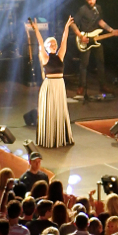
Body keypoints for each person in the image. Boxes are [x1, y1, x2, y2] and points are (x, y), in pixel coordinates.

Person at [27, 16, 74, 149]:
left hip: (59, 85)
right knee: (49, 112)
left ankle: (61, 136)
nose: (53, 45)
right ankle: (49, 138)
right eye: (50, 44)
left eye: (54, 44)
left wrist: (66, 27)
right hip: (49, 86)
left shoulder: (60, 56)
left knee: (59, 111)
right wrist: (36, 29)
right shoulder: (45, 56)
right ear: (47, 48)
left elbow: (64, 41)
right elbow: (40, 42)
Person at [74, 0, 118, 102]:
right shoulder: (82, 10)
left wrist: (111, 30)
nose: (91, 1)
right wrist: (81, 36)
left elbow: (100, 22)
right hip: (85, 39)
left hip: (97, 38)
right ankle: (81, 86)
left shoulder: (98, 9)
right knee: (84, 64)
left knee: (101, 62)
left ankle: (102, 86)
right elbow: (73, 24)